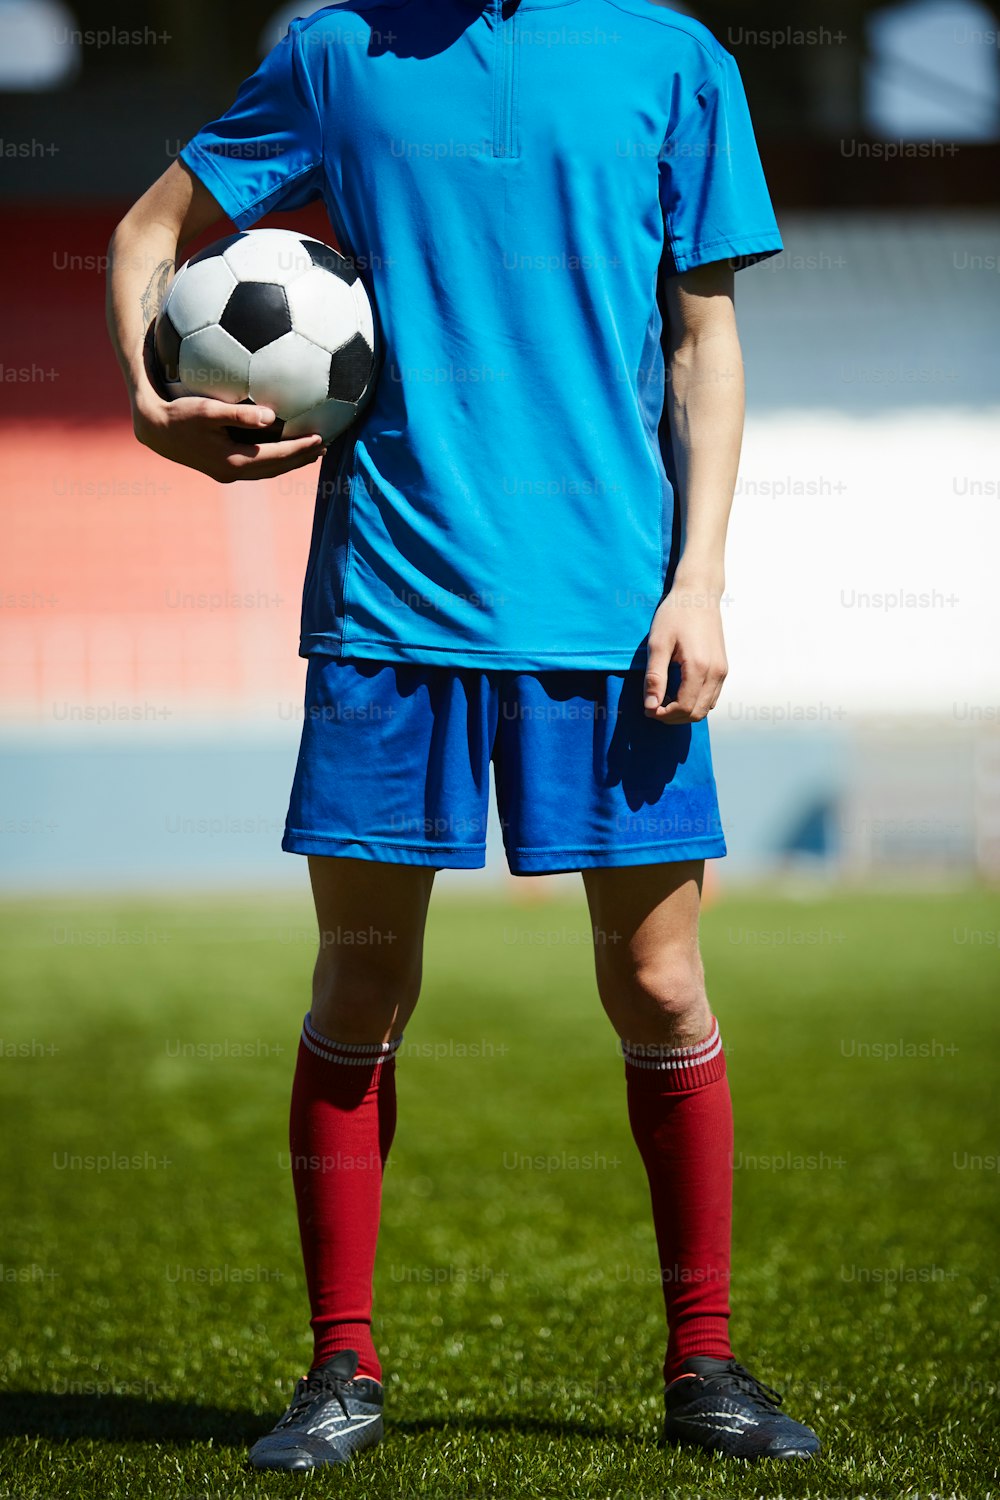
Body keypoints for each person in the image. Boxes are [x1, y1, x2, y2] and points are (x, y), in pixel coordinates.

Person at [106, 0, 820, 1471]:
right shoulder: (334, 50)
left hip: (613, 614)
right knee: (361, 991)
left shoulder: (675, 56)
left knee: (664, 984)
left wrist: (698, 582)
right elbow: (147, 232)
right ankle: (340, 1370)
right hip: (387, 607)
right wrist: (147, 401)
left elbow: (705, 341)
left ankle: (705, 1364)